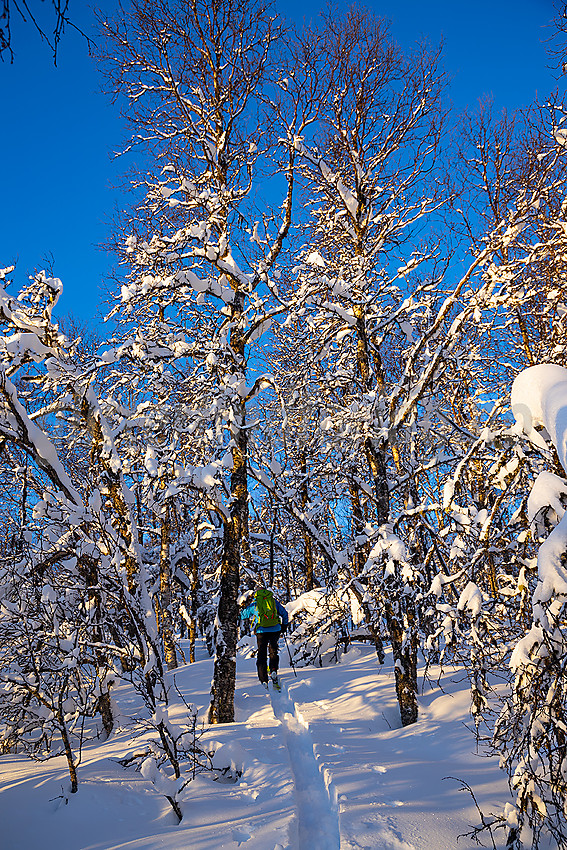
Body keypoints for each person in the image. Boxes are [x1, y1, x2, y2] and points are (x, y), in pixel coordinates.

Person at [241, 586, 289, 687]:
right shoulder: (273, 601)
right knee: (273, 650)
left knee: (262, 654)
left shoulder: (255, 604)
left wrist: (240, 608)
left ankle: (263, 679)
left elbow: (243, 615)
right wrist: (284, 625)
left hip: (261, 631)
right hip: (275, 629)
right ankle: (273, 670)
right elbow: (284, 614)